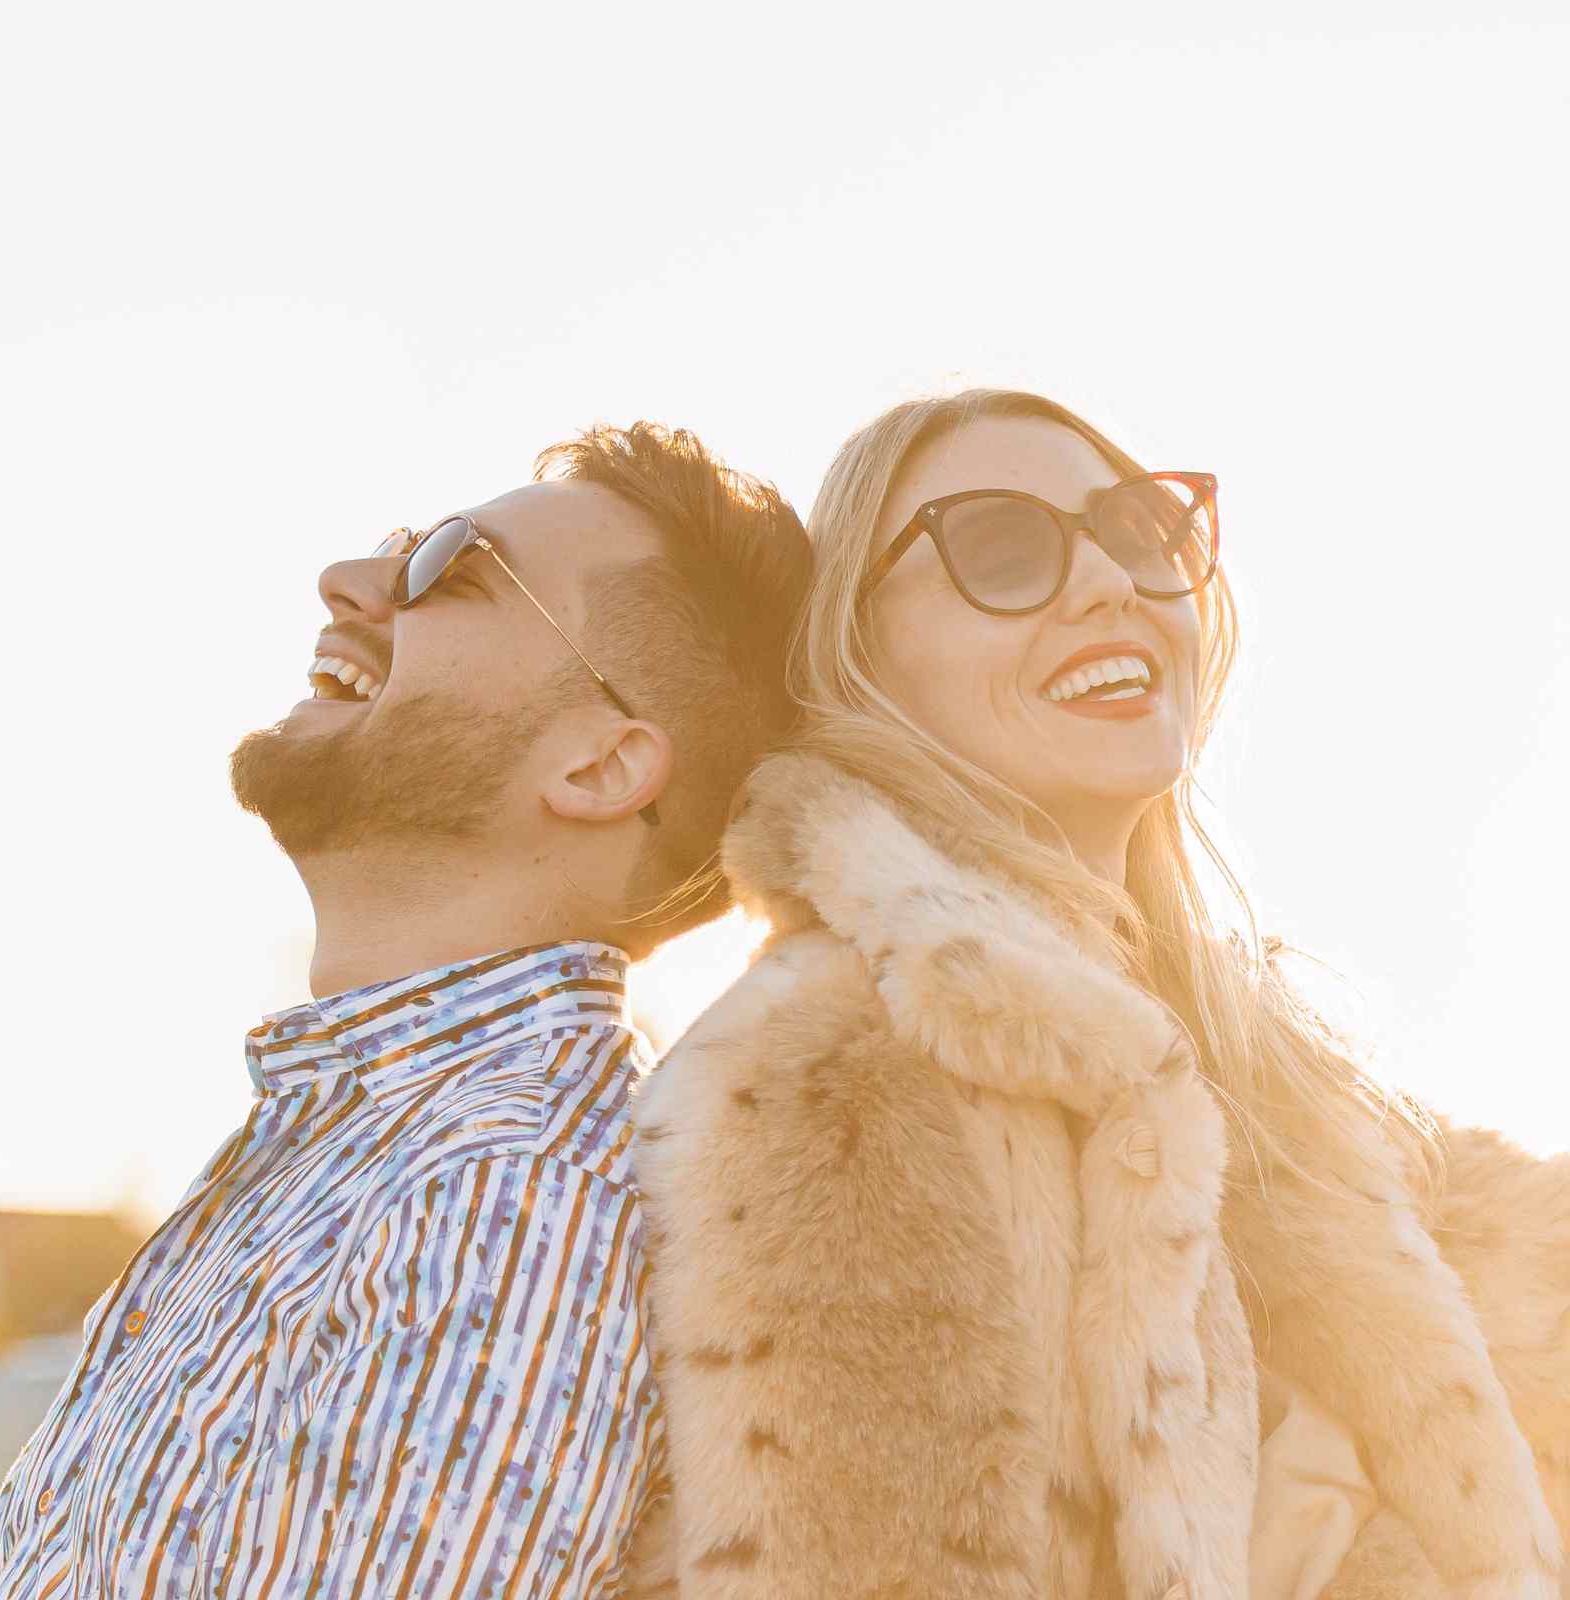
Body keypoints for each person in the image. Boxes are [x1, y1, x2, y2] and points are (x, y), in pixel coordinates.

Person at [624, 390, 1569, 1599]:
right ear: (857, 657)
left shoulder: (1284, 1092)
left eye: (1138, 531)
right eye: (1000, 549)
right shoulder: (839, 1065)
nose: (1108, 583)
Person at [0, 423, 810, 1600]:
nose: (352, 582)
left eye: (449, 565)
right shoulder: (372, 1148)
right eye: (394, 546)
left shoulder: (511, 1190)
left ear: (600, 768)